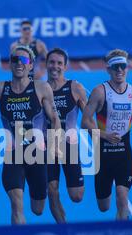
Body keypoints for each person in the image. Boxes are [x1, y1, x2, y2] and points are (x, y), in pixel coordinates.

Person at [0, 45, 61, 225]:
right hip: (13, 155)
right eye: (15, 60)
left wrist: (53, 146)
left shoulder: (41, 88)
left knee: (37, 209)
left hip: (38, 155)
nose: (19, 63)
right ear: (9, 64)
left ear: (31, 65)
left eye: (23, 60)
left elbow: (54, 118)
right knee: (16, 204)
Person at [81, 49, 132, 220]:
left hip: (124, 155)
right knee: (104, 206)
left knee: (122, 198)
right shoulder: (100, 92)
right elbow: (85, 122)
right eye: (115, 67)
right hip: (103, 156)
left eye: (122, 66)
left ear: (127, 68)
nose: (119, 70)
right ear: (108, 69)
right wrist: (105, 135)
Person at [45, 48, 88, 223]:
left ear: (65, 66)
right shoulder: (40, 88)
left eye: (59, 63)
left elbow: (88, 117)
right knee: (52, 189)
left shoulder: (75, 88)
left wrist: (102, 137)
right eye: (52, 62)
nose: (55, 66)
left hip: (69, 145)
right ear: (46, 64)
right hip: (46, 147)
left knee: (76, 196)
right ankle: (62, 227)